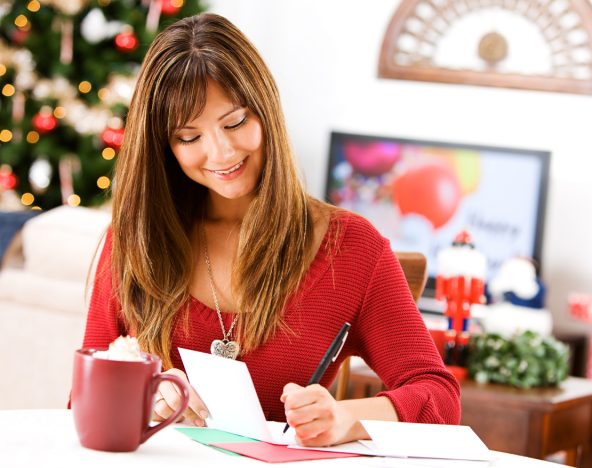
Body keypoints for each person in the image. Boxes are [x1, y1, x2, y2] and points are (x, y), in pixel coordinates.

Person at [82, 12, 460, 447]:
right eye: (188, 138)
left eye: (235, 122)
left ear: (266, 110)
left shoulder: (353, 248)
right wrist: (143, 399)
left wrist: (347, 418)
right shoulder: (135, 239)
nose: (220, 152)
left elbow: (438, 397)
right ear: (163, 147)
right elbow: (83, 402)